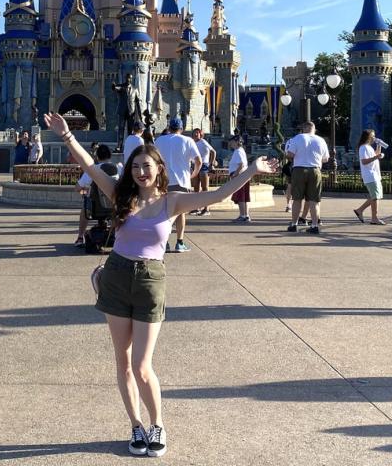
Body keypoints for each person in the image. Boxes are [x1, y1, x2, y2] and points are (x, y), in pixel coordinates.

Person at [45, 111, 276, 457]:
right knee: (121, 361)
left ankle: (157, 424)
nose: (140, 172)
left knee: (141, 365)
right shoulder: (121, 196)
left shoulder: (173, 201)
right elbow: (90, 165)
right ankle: (135, 426)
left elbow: (219, 195)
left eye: (146, 167)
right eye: (135, 167)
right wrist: (66, 136)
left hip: (151, 279)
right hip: (118, 275)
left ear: (158, 169)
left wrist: (252, 170)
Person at [152, 117, 202, 253]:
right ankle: (179, 242)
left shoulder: (159, 140)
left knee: (164, 213)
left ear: (169, 127)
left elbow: (153, 160)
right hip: (182, 181)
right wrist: (193, 174)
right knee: (180, 213)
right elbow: (198, 161)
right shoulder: (187, 140)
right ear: (182, 128)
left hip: (164, 181)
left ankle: (165, 242)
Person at [286, 121, 329, 234]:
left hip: (299, 169)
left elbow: (290, 154)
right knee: (314, 200)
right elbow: (325, 159)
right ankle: (314, 225)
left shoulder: (298, 138)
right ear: (314, 129)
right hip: (315, 170)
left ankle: (294, 224)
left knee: (297, 199)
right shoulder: (321, 140)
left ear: (303, 129)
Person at [74, 144, 121, 247]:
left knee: (85, 206)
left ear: (97, 157)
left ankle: (80, 237)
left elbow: (77, 188)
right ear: (110, 155)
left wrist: (85, 192)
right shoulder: (119, 168)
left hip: (96, 208)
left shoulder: (93, 169)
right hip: (115, 207)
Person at [353, 130, 385, 225]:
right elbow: (364, 161)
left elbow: (375, 155)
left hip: (374, 174)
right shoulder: (363, 148)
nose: (374, 138)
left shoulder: (368, 147)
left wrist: (379, 146)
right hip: (370, 175)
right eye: (372, 136)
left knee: (375, 196)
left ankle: (360, 211)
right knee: (375, 196)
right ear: (367, 137)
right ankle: (373, 218)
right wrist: (377, 157)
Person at [190, 128, 216, 216]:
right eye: (195, 132)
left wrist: (211, 163)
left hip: (204, 165)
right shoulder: (192, 143)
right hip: (195, 165)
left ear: (201, 134)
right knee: (196, 188)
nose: (196, 134)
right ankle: (197, 207)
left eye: (198, 133)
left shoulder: (203, 142)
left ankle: (206, 208)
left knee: (205, 188)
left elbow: (213, 151)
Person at [227, 134, 251, 222]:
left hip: (239, 176)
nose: (231, 143)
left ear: (237, 142)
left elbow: (241, 165)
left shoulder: (238, 151)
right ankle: (246, 215)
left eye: (232, 141)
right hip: (243, 176)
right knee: (244, 197)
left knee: (241, 197)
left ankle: (242, 215)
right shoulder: (240, 150)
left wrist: (234, 175)